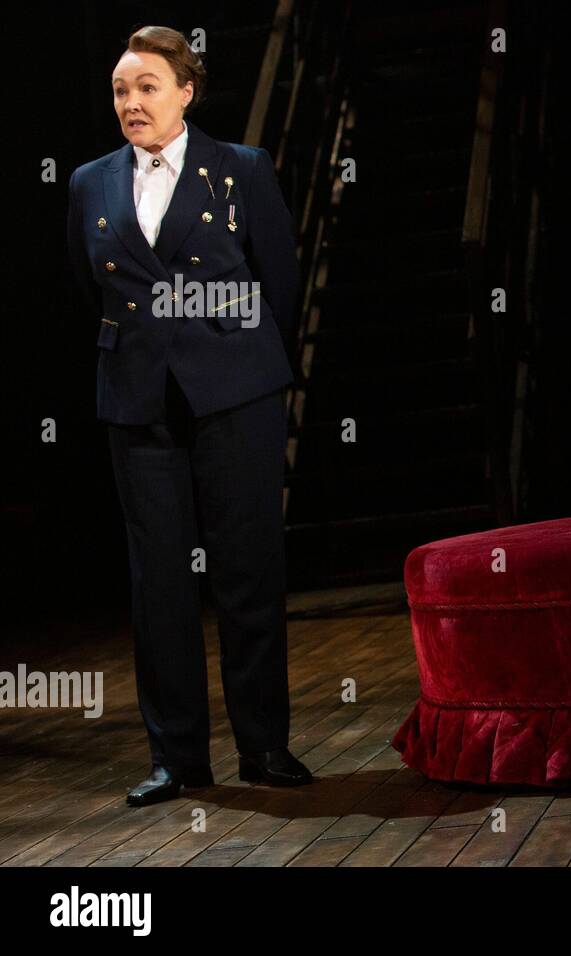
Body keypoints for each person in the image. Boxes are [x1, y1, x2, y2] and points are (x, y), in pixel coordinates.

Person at [66, 25, 312, 806]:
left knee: (247, 573)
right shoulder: (89, 182)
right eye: (119, 90)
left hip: (234, 394)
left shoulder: (239, 169)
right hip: (140, 405)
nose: (130, 103)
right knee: (159, 584)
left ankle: (265, 745)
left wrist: (242, 365)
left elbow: (281, 281)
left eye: (145, 87)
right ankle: (177, 758)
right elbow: (87, 288)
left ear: (185, 92)